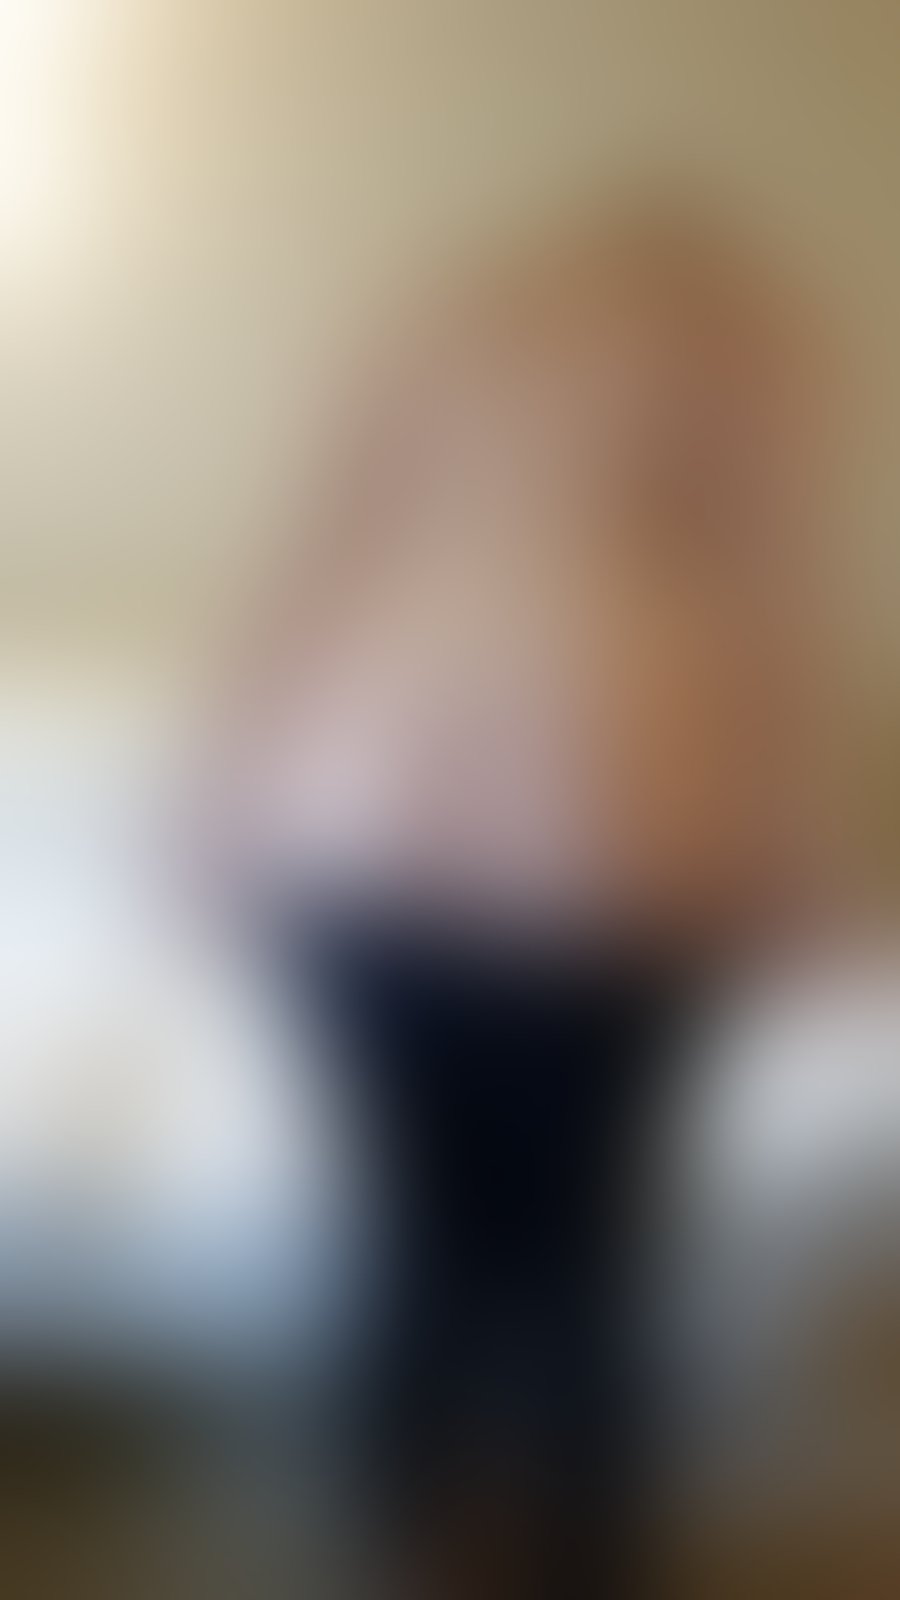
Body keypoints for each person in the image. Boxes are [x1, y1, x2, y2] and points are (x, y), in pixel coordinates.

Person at [189, 200, 844, 1598]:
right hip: (589, 842)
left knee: (430, 1261)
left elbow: (309, 567)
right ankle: (549, 1563)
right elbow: (776, 606)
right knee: (569, 1270)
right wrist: (792, 857)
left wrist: (223, 803)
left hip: (379, 833)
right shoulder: (727, 340)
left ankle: (419, 1558)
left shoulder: (453, 329)